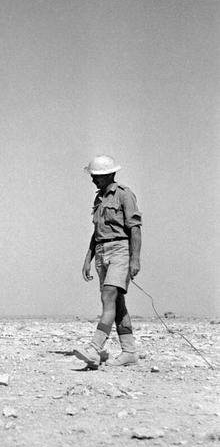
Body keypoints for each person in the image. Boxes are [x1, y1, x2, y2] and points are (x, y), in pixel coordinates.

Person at [73, 155, 142, 369]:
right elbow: (97, 233)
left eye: (97, 176)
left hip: (121, 249)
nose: (94, 180)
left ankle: (95, 347)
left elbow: (135, 228)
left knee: (108, 296)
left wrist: (135, 259)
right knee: (117, 304)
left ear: (110, 174)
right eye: (93, 176)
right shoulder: (99, 198)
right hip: (102, 251)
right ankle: (129, 352)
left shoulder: (124, 195)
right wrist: (88, 259)